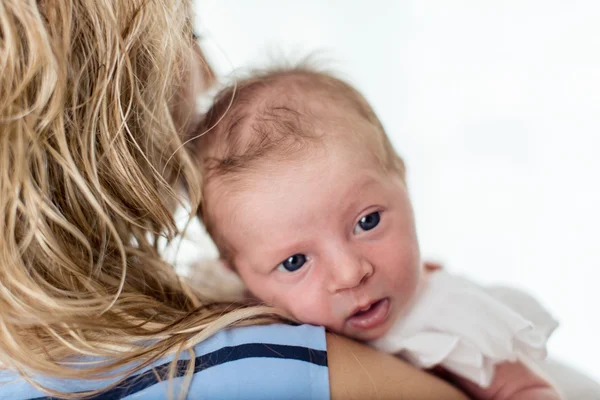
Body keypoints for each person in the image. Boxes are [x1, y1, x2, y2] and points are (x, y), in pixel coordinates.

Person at [0, 1, 470, 399]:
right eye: (188, 34)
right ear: (105, 97)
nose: (208, 72)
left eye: (366, 222)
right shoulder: (252, 363)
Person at [189, 67, 566, 399]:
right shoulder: (237, 332)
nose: (350, 273)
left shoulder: (444, 322)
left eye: (367, 222)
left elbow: (529, 390)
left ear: (400, 179)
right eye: (295, 261)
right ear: (237, 274)